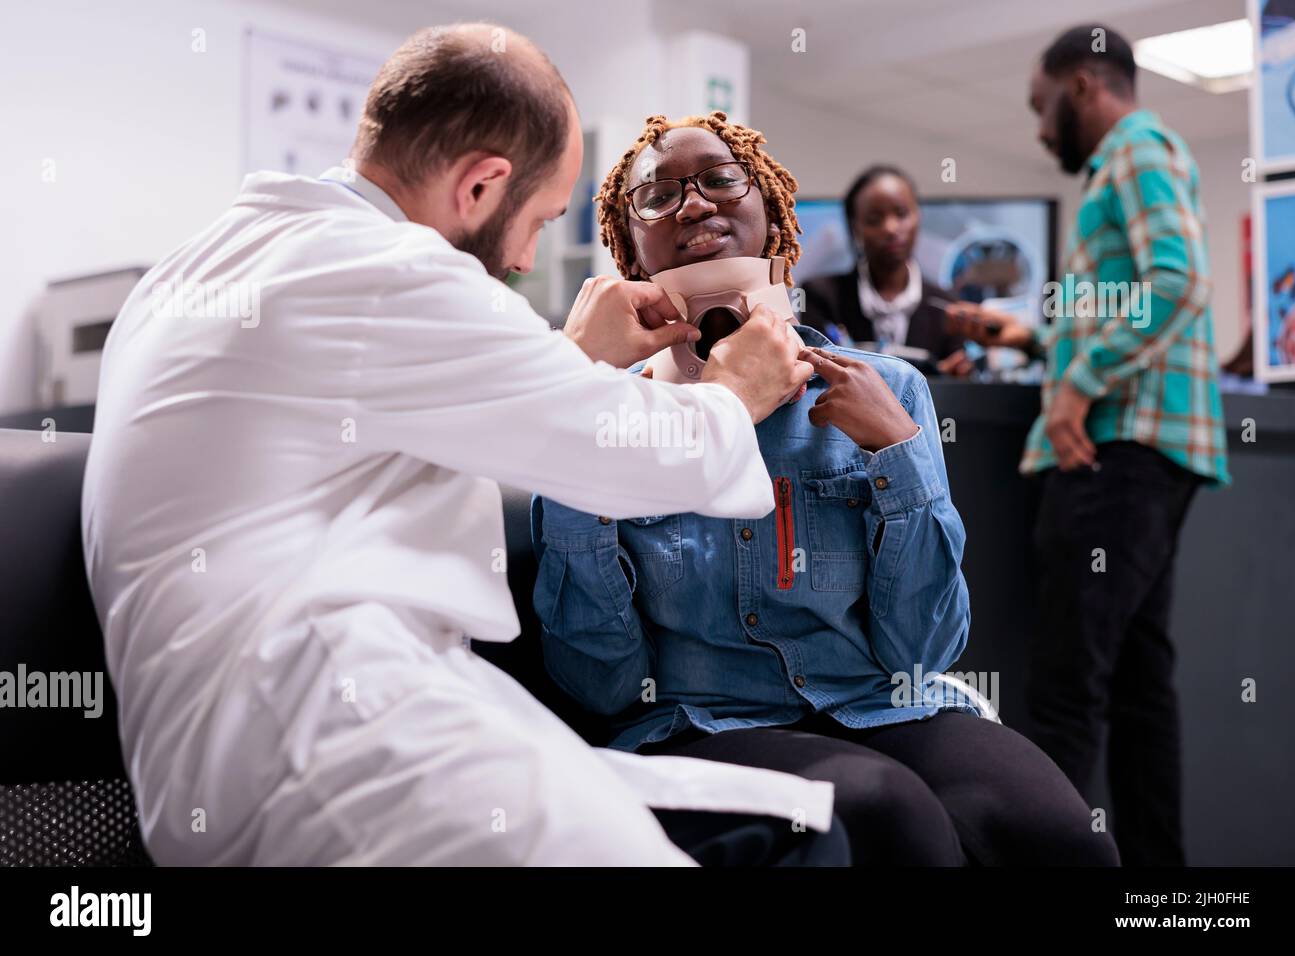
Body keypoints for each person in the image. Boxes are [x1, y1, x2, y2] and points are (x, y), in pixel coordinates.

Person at [79, 23, 850, 866]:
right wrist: (737, 392)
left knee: (799, 831)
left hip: (266, 724)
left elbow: (391, 412)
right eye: (540, 221)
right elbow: (651, 457)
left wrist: (570, 358)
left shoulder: (220, 261)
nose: (523, 260)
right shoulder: (390, 271)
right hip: (325, 741)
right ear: (482, 185)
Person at [532, 112, 1121, 866]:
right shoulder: (609, 418)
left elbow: (924, 651)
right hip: (703, 722)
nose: (693, 203)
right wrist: (584, 453)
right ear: (628, 248)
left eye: (719, 179)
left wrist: (898, 457)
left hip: (880, 704)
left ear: (773, 213)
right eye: (658, 195)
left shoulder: (890, 391)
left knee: (1068, 841)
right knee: (890, 816)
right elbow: (604, 686)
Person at [946, 24, 1231, 866]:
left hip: (1116, 450)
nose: (1039, 129)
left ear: (1081, 86)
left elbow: (1177, 284)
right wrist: (1040, 344)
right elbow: (1133, 302)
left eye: (1041, 107)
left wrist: (1077, 383)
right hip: (1147, 448)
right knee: (1140, 691)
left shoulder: (1137, 150)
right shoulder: (1138, 161)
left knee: (1069, 691)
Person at [802, 165, 971, 375]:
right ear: (855, 227)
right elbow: (816, 375)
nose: (890, 228)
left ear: (918, 217)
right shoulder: (821, 296)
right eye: (874, 219)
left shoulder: (947, 307)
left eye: (901, 214)